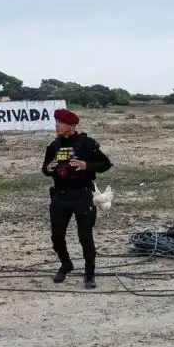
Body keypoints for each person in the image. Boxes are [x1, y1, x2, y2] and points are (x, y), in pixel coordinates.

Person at [42, 107, 112, 288]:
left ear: (72, 126)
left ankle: (89, 272)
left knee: (85, 237)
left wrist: (85, 165)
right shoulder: (54, 146)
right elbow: (45, 168)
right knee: (57, 236)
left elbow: (105, 164)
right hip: (60, 196)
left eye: (61, 123)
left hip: (82, 195)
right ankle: (66, 264)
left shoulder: (86, 143)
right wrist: (49, 168)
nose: (57, 126)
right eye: (56, 122)